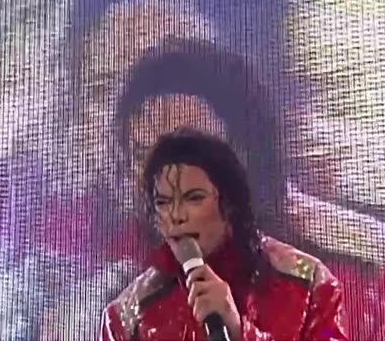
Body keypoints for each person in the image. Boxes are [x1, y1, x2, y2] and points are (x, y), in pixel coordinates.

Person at [100, 127, 349, 340]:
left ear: (230, 203)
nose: (176, 215)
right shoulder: (128, 316)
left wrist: (240, 332)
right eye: (163, 202)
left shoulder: (308, 285)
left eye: (194, 198)